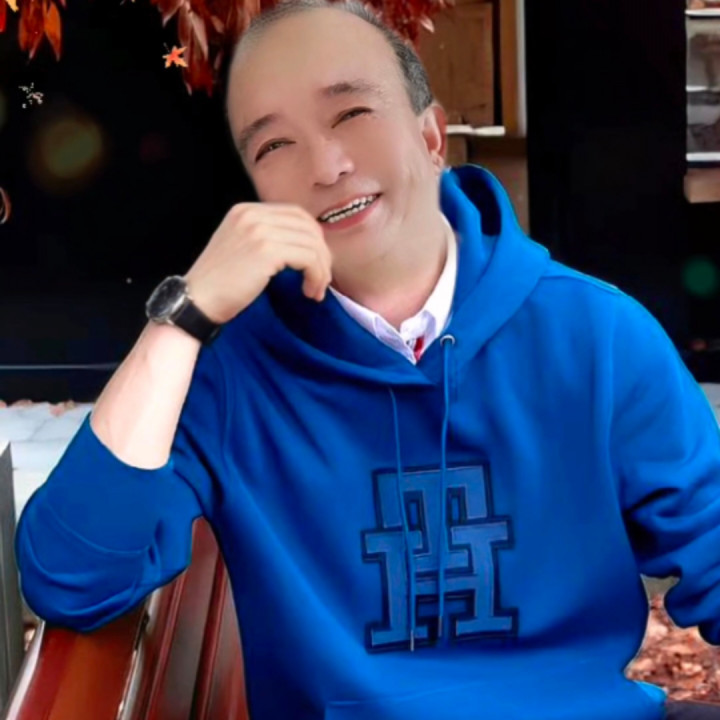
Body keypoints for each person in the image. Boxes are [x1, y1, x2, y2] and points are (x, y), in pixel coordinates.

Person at [14, 1, 720, 718]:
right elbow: (72, 577)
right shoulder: (229, 377)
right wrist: (185, 316)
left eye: (352, 113)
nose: (327, 166)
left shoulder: (596, 335)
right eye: (274, 145)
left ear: (431, 135)